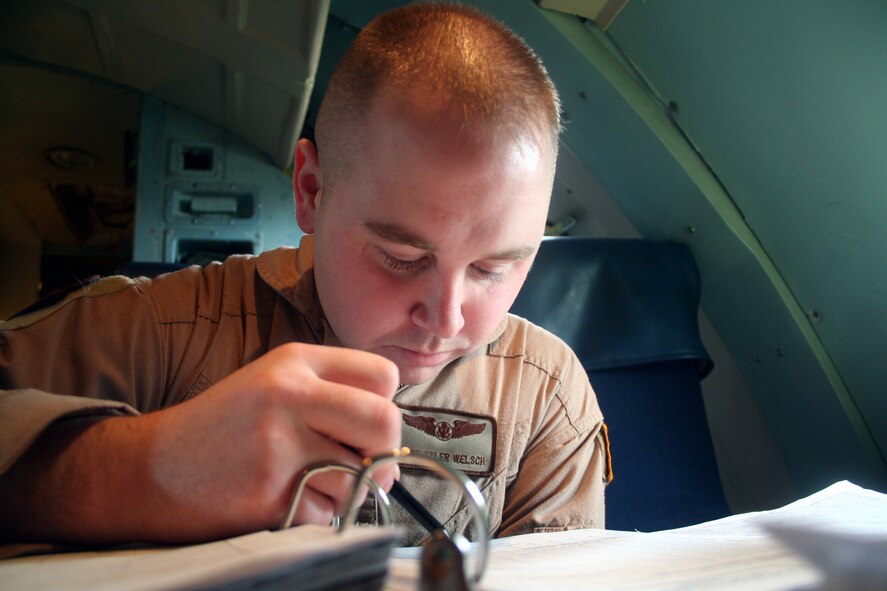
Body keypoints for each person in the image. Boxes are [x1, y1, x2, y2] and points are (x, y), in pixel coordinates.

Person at [0, 2, 610, 549]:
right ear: (311, 190)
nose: (446, 319)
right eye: (401, 256)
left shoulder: (546, 399)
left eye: (494, 268)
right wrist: (146, 470)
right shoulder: (161, 332)